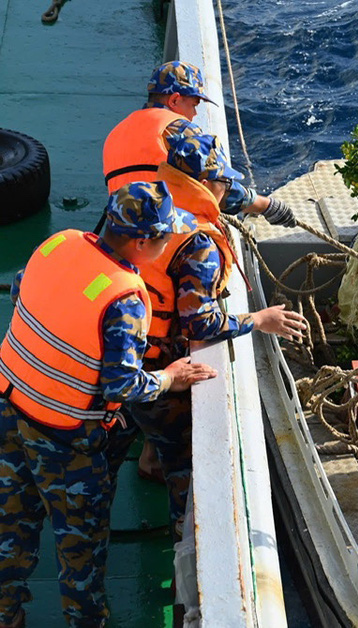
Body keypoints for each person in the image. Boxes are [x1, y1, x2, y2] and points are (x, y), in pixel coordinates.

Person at [0, 182, 217, 628]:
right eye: (162, 238)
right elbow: (122, 386)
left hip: (9, 412)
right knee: (80, 550)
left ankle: (6, 614)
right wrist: (171, 377)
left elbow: (23, 289)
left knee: (11, 527)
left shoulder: (60, 242)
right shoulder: (125, 298)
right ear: (142, 242)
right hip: (65, 444)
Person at [120, 131, 307, 539]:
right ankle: (186, 543)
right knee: (185, 467)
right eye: (222, 181)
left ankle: (148, 460)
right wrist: (258, 320)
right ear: (206, 185)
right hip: (157, 374)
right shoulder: (199, 244)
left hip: (123, 352)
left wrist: (265, 205)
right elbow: (200, 324)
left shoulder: (150, 200)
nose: (227, 189)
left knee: (149, 435)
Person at [102, 60, 296, 225]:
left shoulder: (116, 133)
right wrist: (266, 206)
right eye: (194, 105)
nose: (194, 114)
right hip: (167, 233)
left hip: (124, 233)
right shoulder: (178, 128)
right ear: (175, 100)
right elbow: (216, 186)